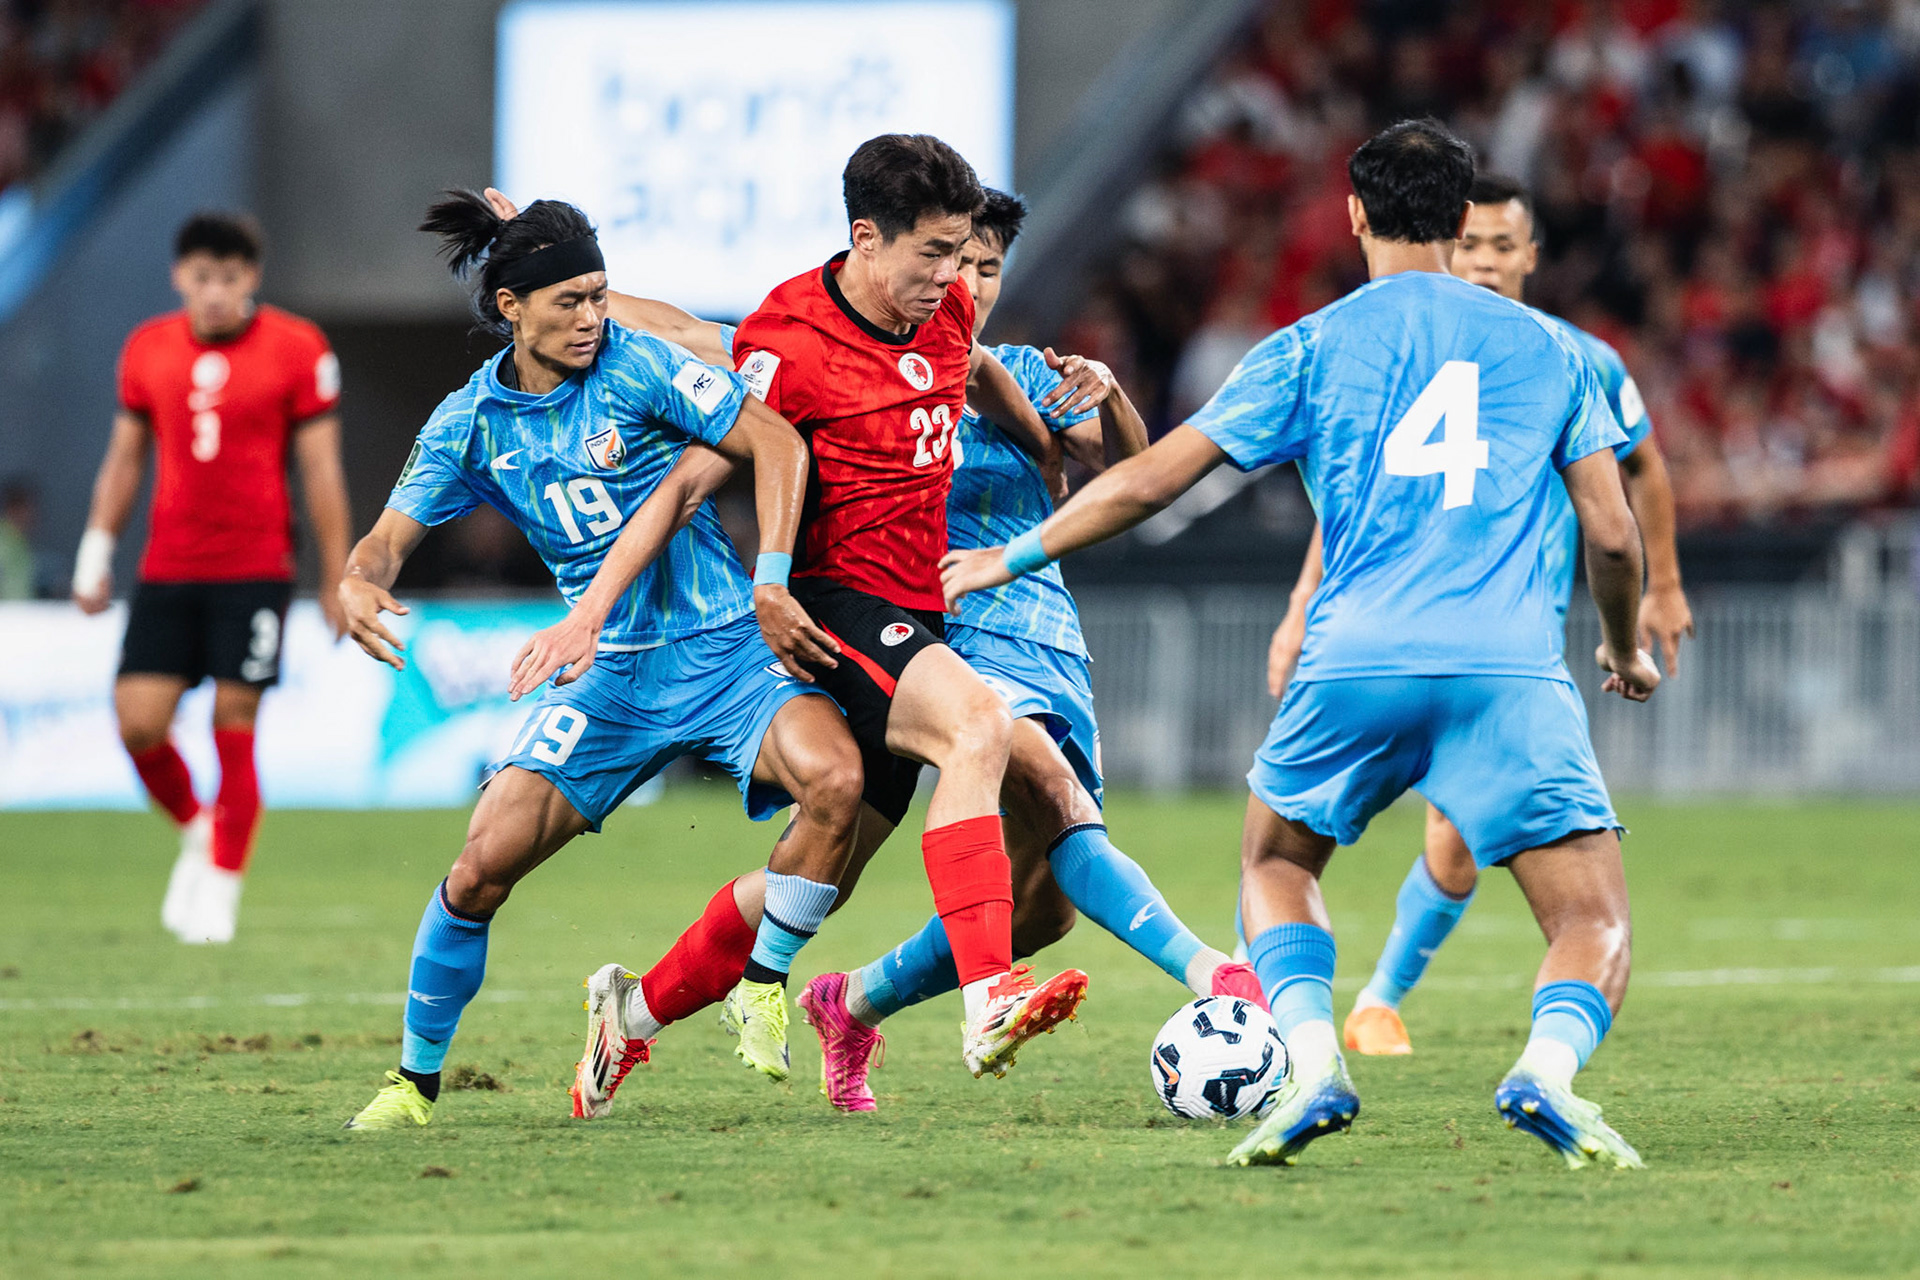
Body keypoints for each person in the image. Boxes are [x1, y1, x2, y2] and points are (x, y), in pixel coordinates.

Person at [941, 119, 1660, 1171]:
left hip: (1354, 661)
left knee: (1277, 858)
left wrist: (1007, 558)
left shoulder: (1311, 345)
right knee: (1591, 917)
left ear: (1356, 213)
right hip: (1505, 668)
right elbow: (1610, 530)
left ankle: (1317, 1059)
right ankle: (1544, 1071)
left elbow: (1153, 477)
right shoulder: (1552, 348)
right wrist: (1626, 643)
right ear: (1464, 224)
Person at [512, 135, 1091, 1085]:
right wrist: (601, 610)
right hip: (837, 608)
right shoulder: (789, 339)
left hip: (914, 618)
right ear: (867, 238)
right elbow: (695, 459)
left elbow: (975, 365)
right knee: (981, 727)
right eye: (935, 255)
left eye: (963, 256)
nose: (956, 279)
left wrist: (1040, 444)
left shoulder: (943, 312)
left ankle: (632, 1011)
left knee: (804, 884)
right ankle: (991, 997)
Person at [336, 192, 862, 1130]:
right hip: (609, 674)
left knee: (837, 781)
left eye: (598, 297)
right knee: (479, 867)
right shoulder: (468, 426)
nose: (591, 319)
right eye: (569, 302)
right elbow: (383, 544)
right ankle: (412, 1085)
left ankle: (767, 981)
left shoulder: (640, 365)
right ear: (510, 307)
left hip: (727, 652)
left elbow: (773, 439)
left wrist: (771, 579)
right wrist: (357, 580)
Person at [799, 189, 1266, 1113]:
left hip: (1049, 632)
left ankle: (847, 1001)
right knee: (1059, 800)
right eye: (956, 261)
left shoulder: (1022, 367)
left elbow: (1135, 476)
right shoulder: (884, 370)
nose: (969, 280)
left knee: (1045, 905)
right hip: (952, 635)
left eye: (988, 267)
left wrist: (1115, 397)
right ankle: (1217, 973)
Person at [1263, 172, 1696, 1058]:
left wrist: (1664, 586)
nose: (1489, 262)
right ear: (1448, 246)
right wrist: (1304, 602)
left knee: (1442, 846)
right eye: (1475, 245)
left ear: (1533, 255)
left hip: (1516, 636)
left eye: (1507, 246)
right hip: (1429, 634)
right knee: (1386, 836)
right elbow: (1357, 505)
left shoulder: (1578, 356)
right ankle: (1349, 998)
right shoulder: (1407, 350)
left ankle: (1349, 1000)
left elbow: (1642, 473)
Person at [72, 212, 350, 945]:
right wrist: (95, 554)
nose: (216, 292)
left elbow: (321, 469)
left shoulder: (299, 349)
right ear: (180, 277)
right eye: (203, 277)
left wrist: (335, 576)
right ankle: (200, 828)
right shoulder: (147, 349)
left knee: (235, 724)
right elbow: (125, 458)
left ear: (251, 278)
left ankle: (222, 886)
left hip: (256, 568)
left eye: (230, 277)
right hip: (168, 568)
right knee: (138, 723)